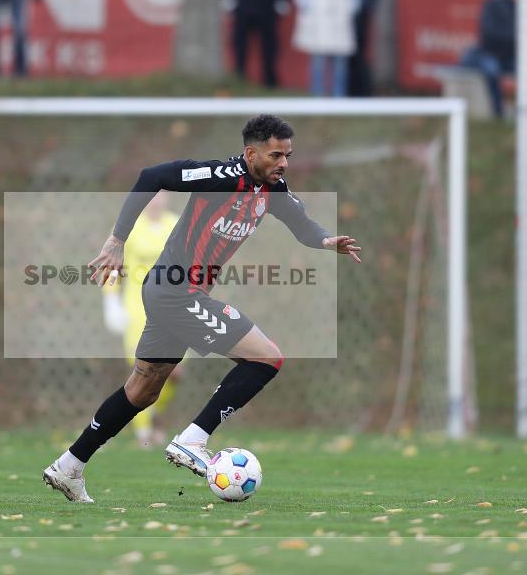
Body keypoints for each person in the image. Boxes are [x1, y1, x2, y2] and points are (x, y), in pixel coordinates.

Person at [43, 114, 361, 503]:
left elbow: (302, 224)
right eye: (276, 155)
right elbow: (151, 177)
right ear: (251, 154)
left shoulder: (273, 190)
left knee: (143, 391)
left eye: (287, 156)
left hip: (173, 294)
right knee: (266, 358)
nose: (284, 163)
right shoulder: (219, 176)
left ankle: (69, 466)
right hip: (176, 292)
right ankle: (193, 439)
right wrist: (117, 240)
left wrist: (327, 241)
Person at [102, 192, 182, 448]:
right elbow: (113, 265)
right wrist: (111, 301)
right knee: (143, 371)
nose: (156, 200)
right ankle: (144, 433)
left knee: (174, 373)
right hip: (138, 309)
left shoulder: (176, 224)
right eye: (151, 195)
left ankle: (154, 410)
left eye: (161, 195)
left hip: (173, 309)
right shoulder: (129, 228)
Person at [291, 0, 362, 97]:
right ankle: (317, 94)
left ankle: (339, 94)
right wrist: (308, 6)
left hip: (340, 17)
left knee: (340, 60)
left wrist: (350, 9)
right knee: (317, 59)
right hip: (318, 18)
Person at [458, 0, 516, 118]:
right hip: (491, 53)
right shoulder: (492, 5)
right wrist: (511, 36)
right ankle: (497, 110)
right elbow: (489, 33)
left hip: (510, 56)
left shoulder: (521, 8)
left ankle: (521, 112)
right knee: (491, 68)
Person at [222, 0, 290, 88]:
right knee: (240, 45)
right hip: (242, 7)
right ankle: (239, 76)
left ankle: (269, 80)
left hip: (267, 7)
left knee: (269, 46)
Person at [347, 0, 381, 97]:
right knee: (349, 55)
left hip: (360, 13)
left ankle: (362, 90)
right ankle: (351, 90)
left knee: (358, 53)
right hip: (346, 13)